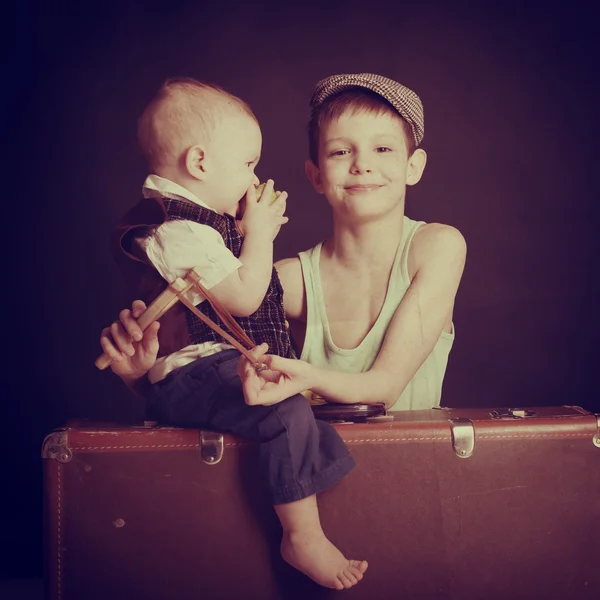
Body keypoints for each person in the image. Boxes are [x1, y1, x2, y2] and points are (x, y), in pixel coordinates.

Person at [103, 76, 368, 591]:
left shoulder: (201, 224)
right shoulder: (175, 228)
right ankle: (303, 537)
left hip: (210, 367)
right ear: (200, 163)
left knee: (298, 410)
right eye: (247, 163)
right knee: (283, 407)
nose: (254, 178)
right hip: (192, 372)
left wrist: (247, 233)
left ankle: (298, 503)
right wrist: (262, 234)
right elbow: (245, 295)